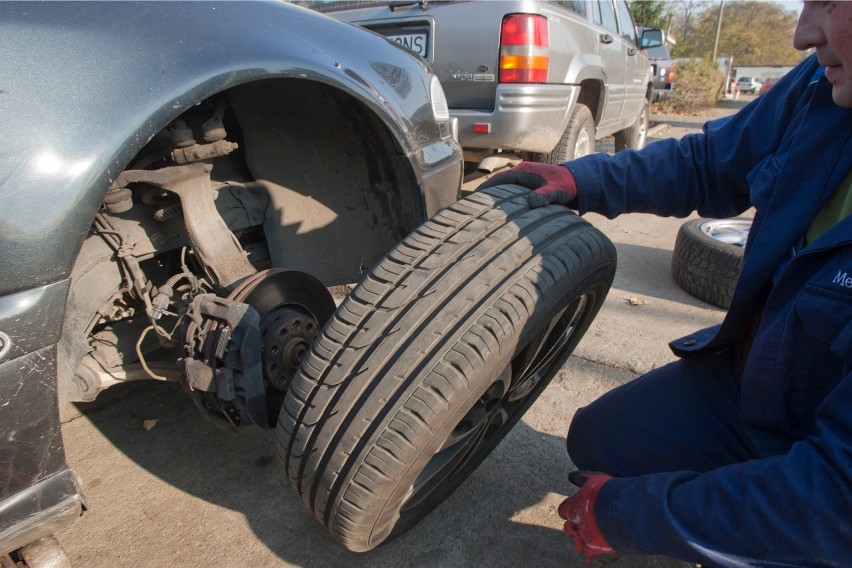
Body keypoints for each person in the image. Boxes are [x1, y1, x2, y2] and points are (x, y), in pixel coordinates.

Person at [479, 2, 852, 566]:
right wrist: (581, 178)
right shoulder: (826, 90)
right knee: (606, 439)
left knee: (802, 526)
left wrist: (633, 516)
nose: (801, 34)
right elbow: (711, 162)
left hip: (834, 465)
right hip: (765, 392)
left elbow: (839, 501)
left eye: (829, 0)